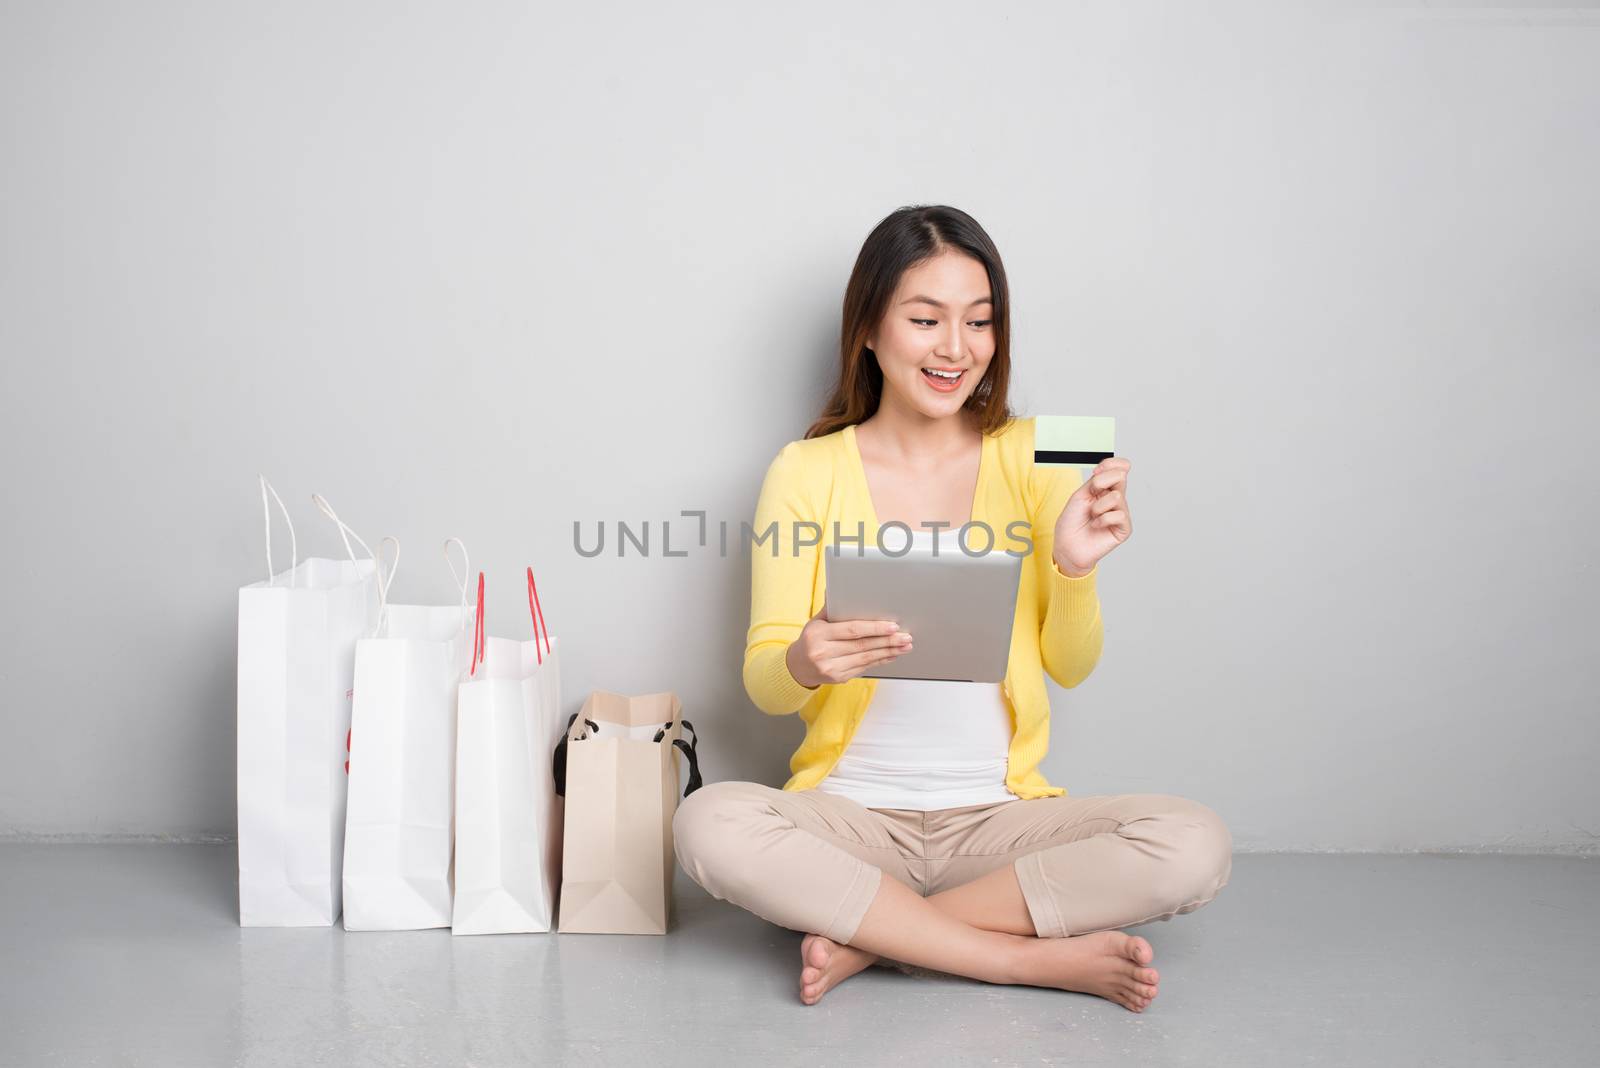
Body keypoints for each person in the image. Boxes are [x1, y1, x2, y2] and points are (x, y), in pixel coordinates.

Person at [672, 205, 1232, 1012]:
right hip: (853, 821)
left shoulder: (1037, 452)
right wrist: (805, 657)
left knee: (1193, 843)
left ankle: (876, 940)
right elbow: (766, 685)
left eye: (980, 321)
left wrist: (1073, 568)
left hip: (996, 827)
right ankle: (1019, 960)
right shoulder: (806, 470)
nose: (956, 348)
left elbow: (1072, 668)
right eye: (926, 319)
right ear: (868, 328)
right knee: (708, 823)